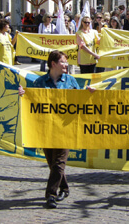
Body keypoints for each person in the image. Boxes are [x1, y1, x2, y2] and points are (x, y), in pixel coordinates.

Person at [31, 50, 93, 209]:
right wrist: (23, 94)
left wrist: (88, 94)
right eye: (63, 62)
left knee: (59, 162)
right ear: (53, 64)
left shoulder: (71, 82)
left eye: (66, 62)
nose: (66, 65)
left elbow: (79, 102)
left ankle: (50, 194)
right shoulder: (40, 82)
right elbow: (31, 101)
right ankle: (64, 187)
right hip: (47, 129)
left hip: (66, 128)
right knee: (53, 163)